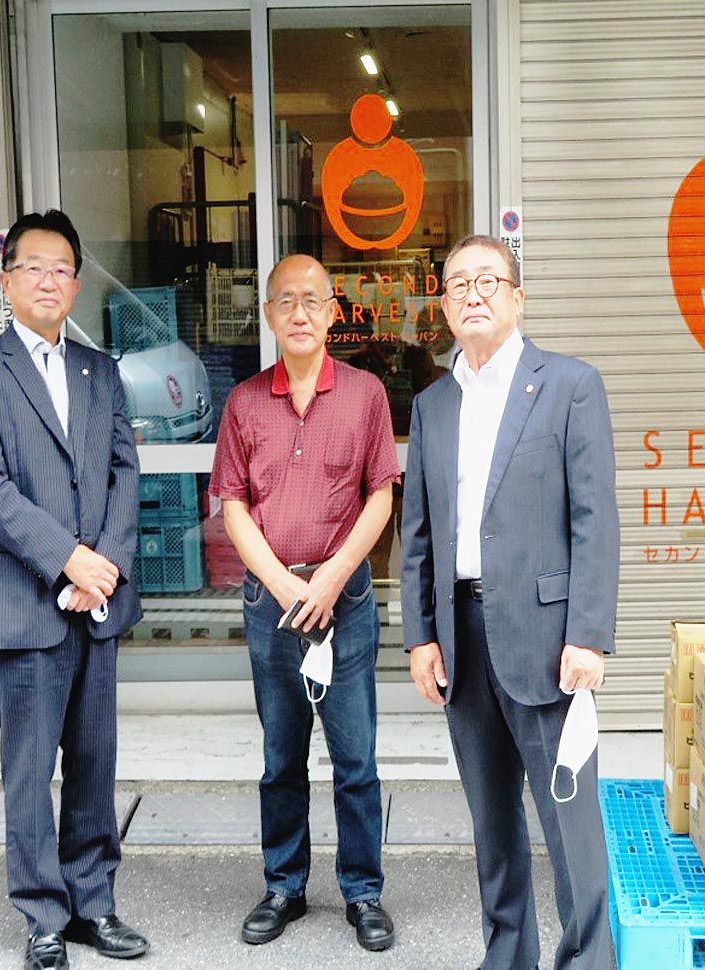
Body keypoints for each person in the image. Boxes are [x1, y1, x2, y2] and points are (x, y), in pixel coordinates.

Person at [401, 235, 620, 969]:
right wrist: (420, 637)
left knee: (570, 828)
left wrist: (588, 634)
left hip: (548, 638)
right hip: (462, 639)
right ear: (443, 306)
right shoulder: (433, 404)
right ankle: (507, 958)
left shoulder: (569, 385)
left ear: (518, 298)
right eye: (457, 283)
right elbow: (418, 532)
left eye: (488, 280)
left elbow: (594, 519)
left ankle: (587, 961)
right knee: (492, 829)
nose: (472, 293)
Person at [0, 209, 148, 970]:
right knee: (29, 772)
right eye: (33, 267)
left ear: (76, 284)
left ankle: (93, 904)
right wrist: (68, 559)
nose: (48, 281)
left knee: (95, 764)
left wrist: (107, 565)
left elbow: (125, 470)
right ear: (7, 281)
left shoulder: (100, 371)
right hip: (22, 603)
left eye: (62, 269)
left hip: (97, 603)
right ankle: (41, 917)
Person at [210, 254, 399, 952]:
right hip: (272, 602)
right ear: (268, 315)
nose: (298, 312)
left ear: (331, 313)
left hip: (343, 600)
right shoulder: (244, 402)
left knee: (356, 759)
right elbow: (233, 505)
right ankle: (284, 885)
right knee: (280, 757)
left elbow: (380, 495)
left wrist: (331, 577)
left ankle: (363, 891)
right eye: (285, 300)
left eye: (311, 300)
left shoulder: (365, 394)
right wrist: (287, 584)